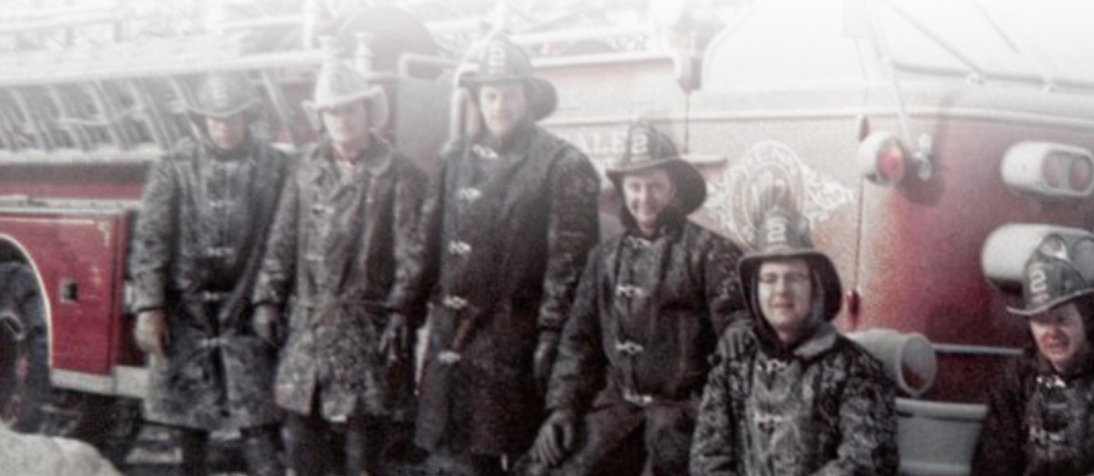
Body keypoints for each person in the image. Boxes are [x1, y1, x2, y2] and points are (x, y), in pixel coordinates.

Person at [412, 36, 600, 476]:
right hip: (451, 339)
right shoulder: (454, 157)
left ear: (528, 98)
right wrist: (406, 311)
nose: (500, 106)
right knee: (451, 460)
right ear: (478, 98)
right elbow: (427, 241)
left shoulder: (562, 163)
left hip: (513, 343)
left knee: (509, 455)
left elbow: (568, 267)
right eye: (491, 95)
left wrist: (550, 337)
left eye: (510, 95)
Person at [521, 123, 750, 476]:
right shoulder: (605, 259)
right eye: (635, 186)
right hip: (615, 410)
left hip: (681, 418)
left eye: (656, 186)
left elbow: (736, 323)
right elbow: (578, 341)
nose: (645, 199)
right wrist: (562, 409)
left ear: (674, 188)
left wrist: (737, 330)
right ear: (622, 190)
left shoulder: (710, 253)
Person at [251, 55, 427, 476]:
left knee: (362, 448)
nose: (342, 119)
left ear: (368, 112)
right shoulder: (304, 171)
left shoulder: (399, 175)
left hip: (367, 332)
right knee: (301, 439)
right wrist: (268, 300)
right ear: (321, 118)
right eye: (333, 111)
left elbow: (413, 254)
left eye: (350, 109)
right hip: (308, 330)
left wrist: (402, 313)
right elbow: (282, 239)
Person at [129, 71, 287, 476]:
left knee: (259, 424)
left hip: (245, 308)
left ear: (246, 119)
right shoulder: (174, 167)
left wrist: (267, 299)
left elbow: (282, 238)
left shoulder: (272, 167)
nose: (225, 128)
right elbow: (151, 240)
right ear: (201, 122)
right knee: (189, 428)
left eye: (233, 118)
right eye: (216, 120)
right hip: (187, 314)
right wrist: (151, 307)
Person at [690, 201, 899, 476]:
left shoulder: (856, 370)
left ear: (815, 287)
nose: (781, 290)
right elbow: (707, 460)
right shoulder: (732, 368)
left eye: (794, 277)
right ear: (755, 291)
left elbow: (866, 463)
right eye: (769, 279)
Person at [971, 235, 1094, 476]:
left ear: (1087, 318)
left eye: (1062, 319)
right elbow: (994, 463)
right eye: (1040, 321)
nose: (1052, 332)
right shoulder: (1017, 378)